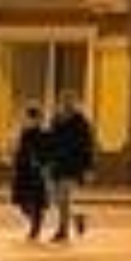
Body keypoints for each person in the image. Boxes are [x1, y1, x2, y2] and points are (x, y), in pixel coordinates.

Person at [43, 90, 96, 243]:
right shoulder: (56, 119)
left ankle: (62, 231)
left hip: (73, 165)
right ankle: (76, 217)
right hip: (57, 164)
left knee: (64, 197)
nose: (67, 104)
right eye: (64, 101)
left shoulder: (81, 121)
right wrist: (46, 160)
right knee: (55, 198)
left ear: (75, 102)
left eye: (70, 101)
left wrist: (88, 168)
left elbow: (88, 146)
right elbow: (50, 142)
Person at [9, 103, 50, 240]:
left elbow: (45, 151)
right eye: (28, 117)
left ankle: (35, 226)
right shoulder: (23, 132)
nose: (29, 120)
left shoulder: (42, 134)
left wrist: (41, 163)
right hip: (23, 170)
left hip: (35, 171)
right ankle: (35, 222)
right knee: (22, 202)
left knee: (35, 201)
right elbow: (18, 150)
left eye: (32, 118)